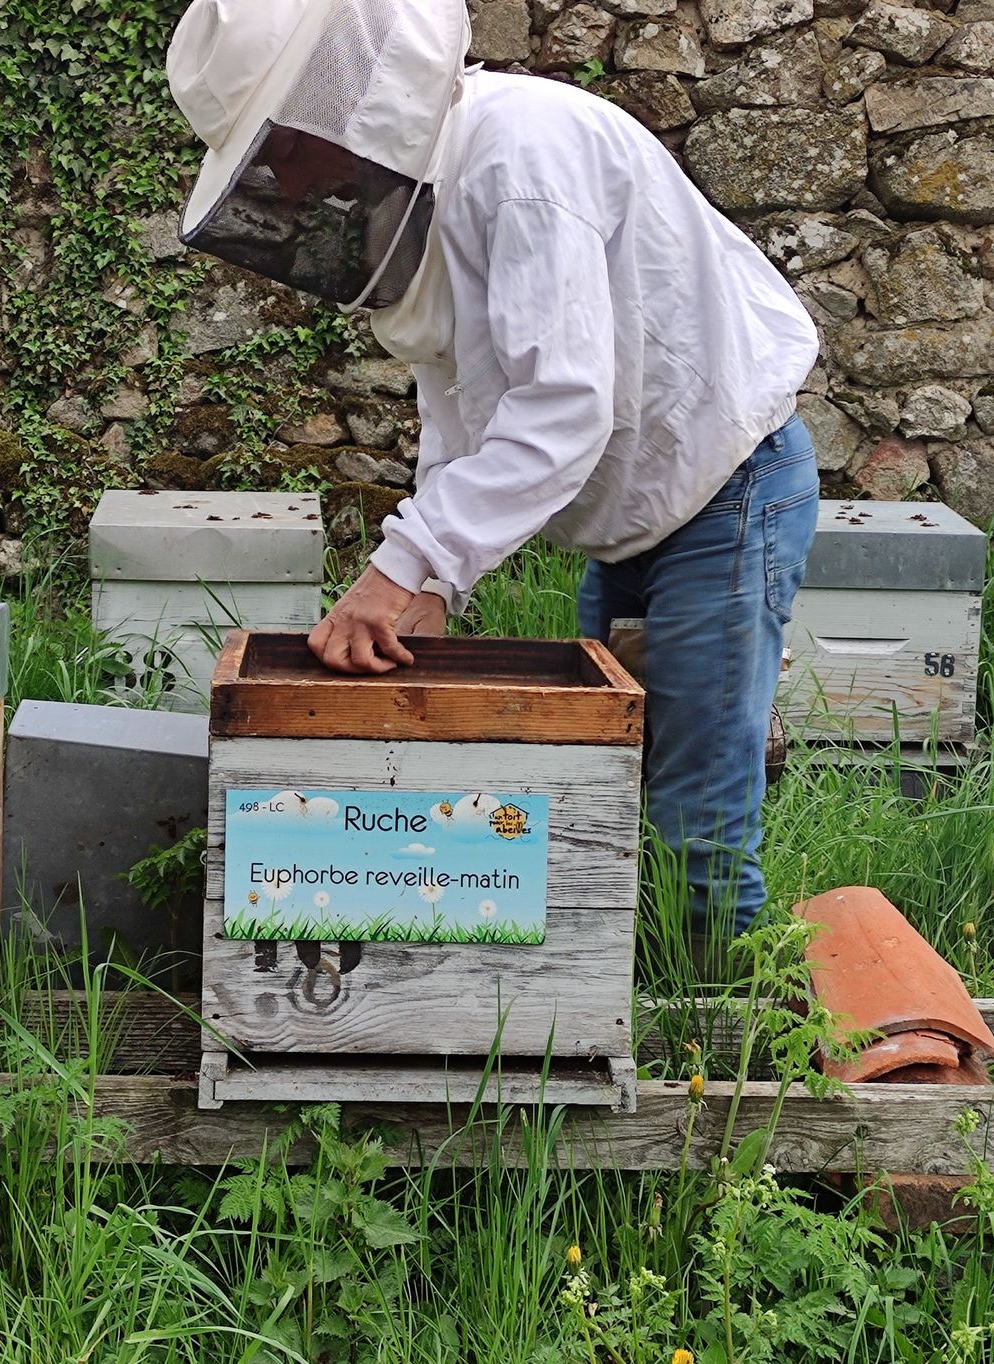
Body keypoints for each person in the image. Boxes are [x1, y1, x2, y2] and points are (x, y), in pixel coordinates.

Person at [167, 0, 821, 956]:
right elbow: (464, 410)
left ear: (336, 103)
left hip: (723, 494)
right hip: (633, 521)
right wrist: (433, 581)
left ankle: (717, 1058)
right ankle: (630, 1006)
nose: (282, 178)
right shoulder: (438, 192)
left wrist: (397, 570)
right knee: (615, 784)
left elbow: (562, 408)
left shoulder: (522, 161)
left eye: (279, 146)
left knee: (696, 818)